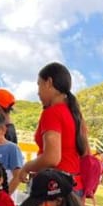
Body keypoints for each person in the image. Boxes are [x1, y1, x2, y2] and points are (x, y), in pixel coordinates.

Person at [17, 63, 88, 197]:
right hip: (74, 186)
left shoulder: (52, 113)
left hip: (54, 188)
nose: (38, 92)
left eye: (39, 85)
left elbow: (52, 158)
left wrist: (26, 167)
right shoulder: (75, 115)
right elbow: (85, 152)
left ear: (49, 82)